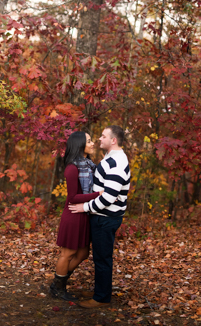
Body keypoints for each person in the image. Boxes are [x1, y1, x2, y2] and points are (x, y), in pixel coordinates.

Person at [69, 125, 130, 309]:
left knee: (102, 258)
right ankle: (100, 290)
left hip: (105, 217)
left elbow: (109, 197)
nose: (99, 139)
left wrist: (85, 207)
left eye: (103, 136)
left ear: (113, 140)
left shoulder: (117, 163)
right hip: (101, 215)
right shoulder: (111, 158)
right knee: (100, 257)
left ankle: (101, 298)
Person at [50, 131, 101, 301]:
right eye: (89, 141)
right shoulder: (72, 168)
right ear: (80, 144)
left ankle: (59, 281)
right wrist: (98, 194)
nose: (93, 143)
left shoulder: (89, 165)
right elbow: (72, 197)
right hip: (73, 214)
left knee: (83, 253)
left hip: (84, 213)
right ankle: (58, 286)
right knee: (68, 253)